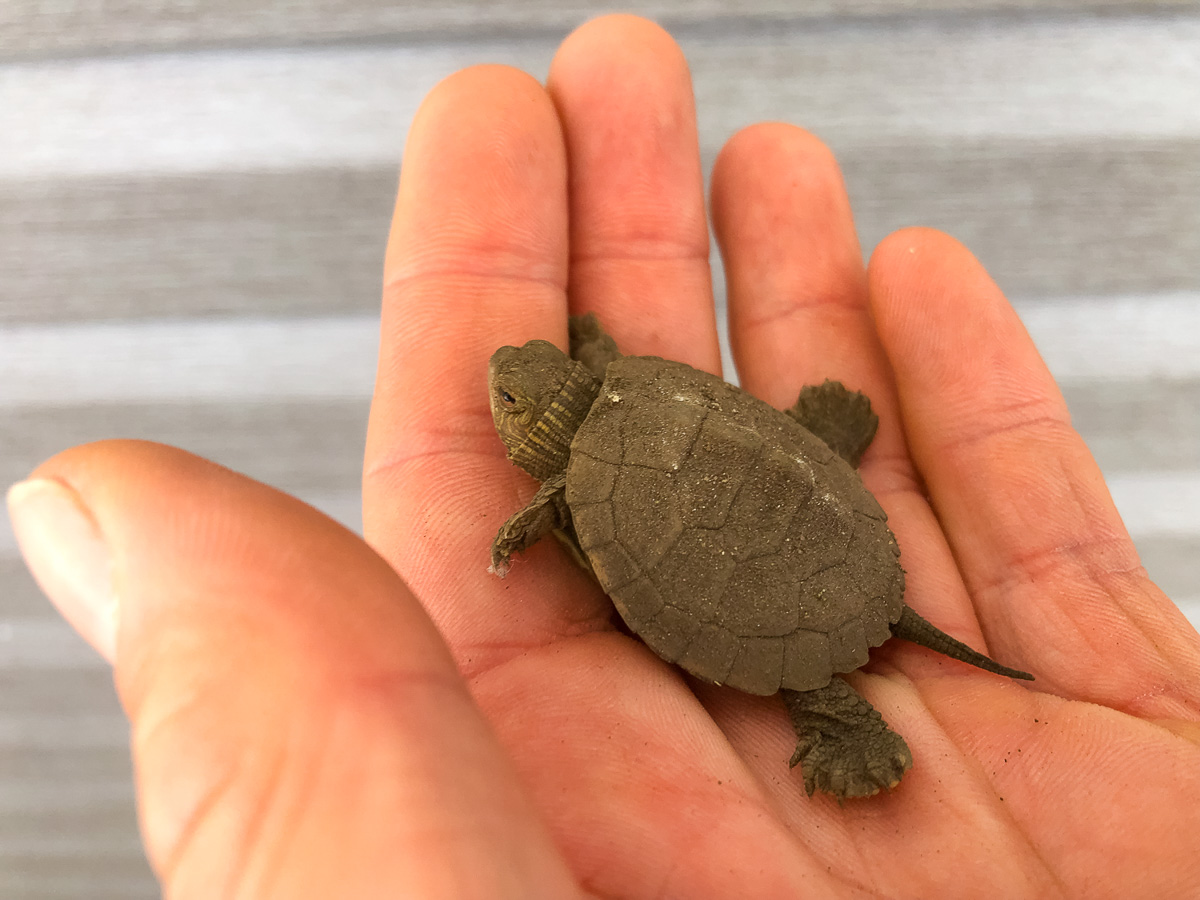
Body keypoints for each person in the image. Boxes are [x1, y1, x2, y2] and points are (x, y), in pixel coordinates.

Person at [8, 14, 1200, 899]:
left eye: (523, 389)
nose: (502, 388)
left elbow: (583, 463)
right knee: (757, 455)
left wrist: (534, 515)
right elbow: (617, 412)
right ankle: (830, 462)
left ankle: (847, 722)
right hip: (811, 507)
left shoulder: (576, 464)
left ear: (549, 423)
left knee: (795, 652)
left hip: (792, 536)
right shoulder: (612, 390)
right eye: (520, 388)